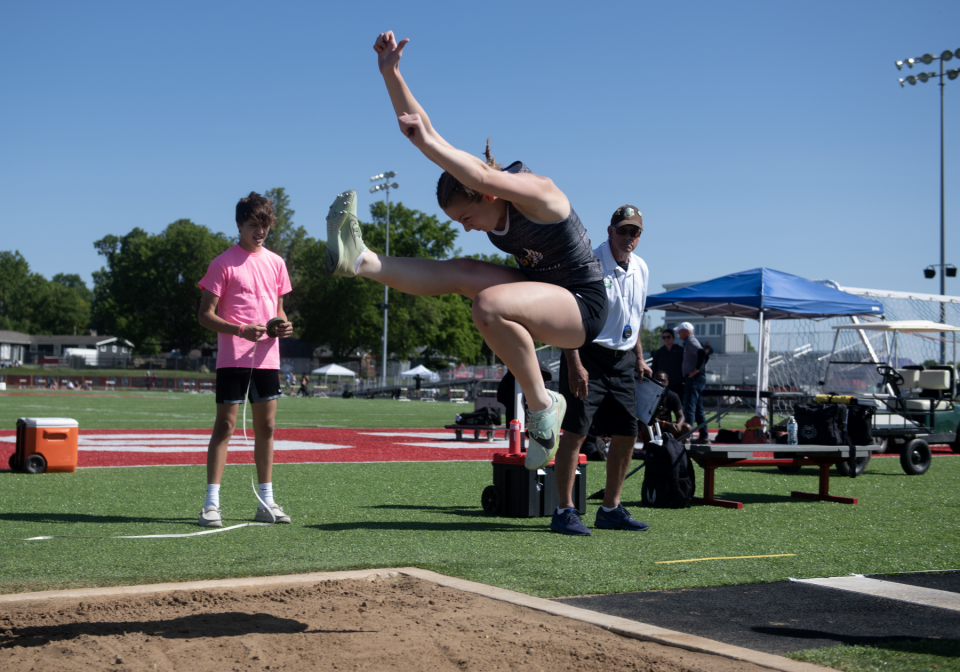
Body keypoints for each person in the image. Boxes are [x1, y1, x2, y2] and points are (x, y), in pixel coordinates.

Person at [326, 31, 609, 471]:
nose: (468, 229)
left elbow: (472, 169)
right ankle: (362, 260)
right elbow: (431, 130)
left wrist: (424, 145)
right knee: (459, 271)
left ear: (487, 197)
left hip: (584, 307)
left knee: (488, 305)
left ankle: (542, 406)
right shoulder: (484, 196)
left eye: (466, 218)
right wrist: (391, 74)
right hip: (543, 289)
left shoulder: (539, 195)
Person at [551, 205, 651, 536]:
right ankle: (564, 510)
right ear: (609, 232)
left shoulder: (642, 268)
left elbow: (635, 317)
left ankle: (610, 508)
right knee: (576, 432)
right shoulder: (587, 265)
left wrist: (638, 356)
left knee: (628, 433)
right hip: (588, 355)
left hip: (623, 360)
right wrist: (574, 363)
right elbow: (566, 319)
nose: (628, 237)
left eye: (633, 232)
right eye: (622, 230)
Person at [196, 192, 294, 528]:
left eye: (265, 225)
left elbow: (278, 309)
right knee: (225, 427)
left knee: (266, 427)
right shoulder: (222, 263)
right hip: (233, 358)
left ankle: (266, 502)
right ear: (239, 225)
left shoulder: (277, 263)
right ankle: (211, 505)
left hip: (267, 358)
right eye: (253, 225)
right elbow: (205, 316)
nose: (260, 231)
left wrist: (283, 324)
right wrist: (239, 329)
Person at [676, 322, 709, 444]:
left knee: (689, 407)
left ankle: (686, 436)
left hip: (694, 379)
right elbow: (704, 355)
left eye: (680, 330)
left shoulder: (690, 341)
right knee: (698, 409)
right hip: (696, 378)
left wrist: (697, 369)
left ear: (686, 331)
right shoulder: (689, 341)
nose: (678, 333)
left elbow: (702, 353)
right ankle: (703, 436)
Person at [647, 371, 691, 440]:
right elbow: (645, 418)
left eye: (662, 380)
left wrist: (679, 424)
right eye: (657, 380)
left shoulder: (673, 396)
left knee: (687, 427)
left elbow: (681, 415)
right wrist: (664, 423)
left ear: (667, 383)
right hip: (651, 426)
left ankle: (674, 444)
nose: (660, 382)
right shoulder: (647, 395)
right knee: (647, 427)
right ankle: (646, 447)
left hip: (667, 427)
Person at [651, 329, 684, 398]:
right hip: (662, 384)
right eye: (664, 337)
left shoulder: (680, 350)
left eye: (668, 337)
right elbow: (654, 367)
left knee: (677, 405)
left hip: (677, 383)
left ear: (673, 338)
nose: (666, 339)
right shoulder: (659, 352)